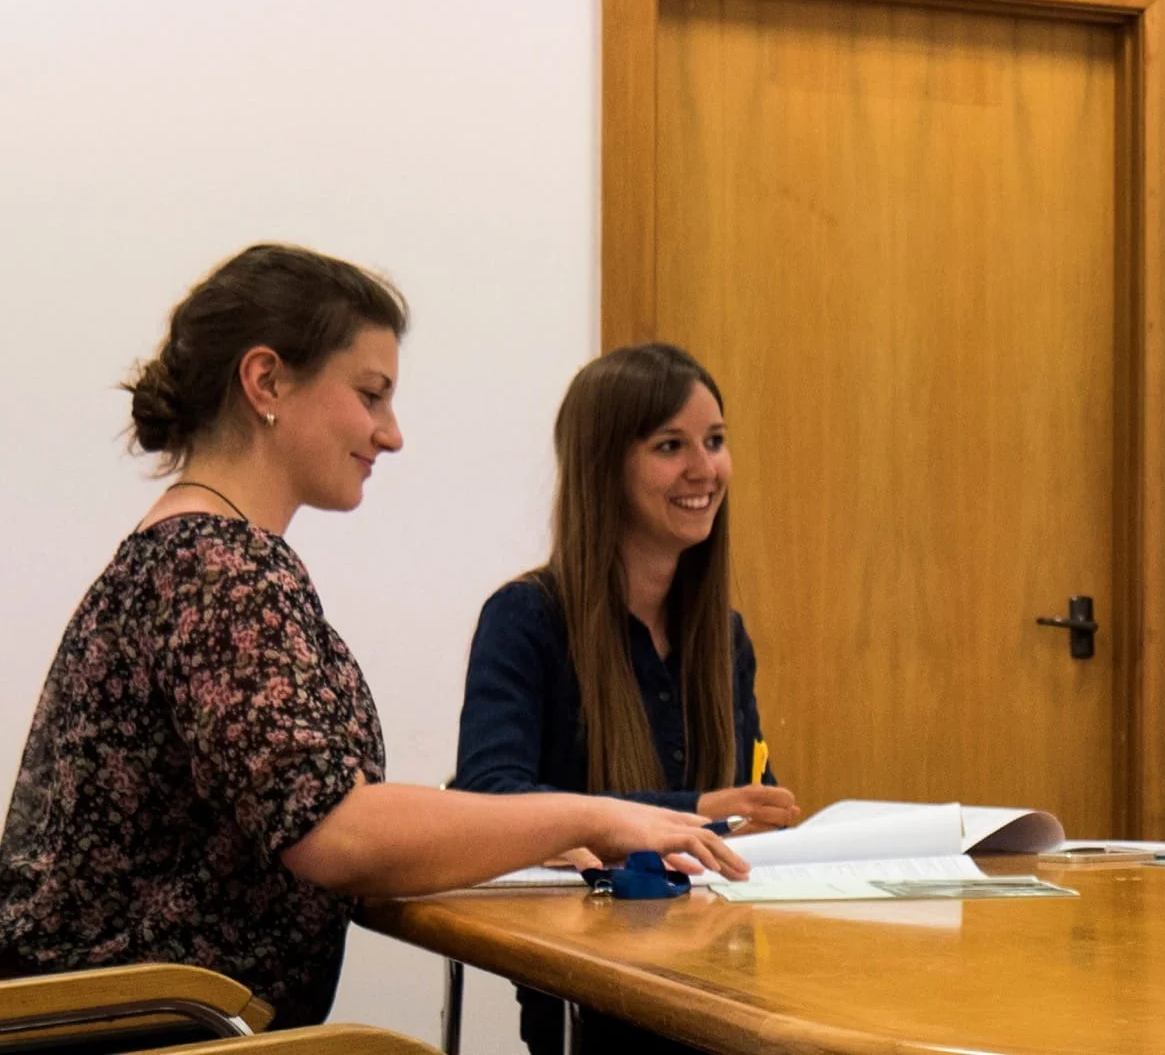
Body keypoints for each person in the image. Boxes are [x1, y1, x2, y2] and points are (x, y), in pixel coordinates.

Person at [0, 246, 745, 1033]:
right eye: (371, 395)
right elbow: (334, 831)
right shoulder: (217, 569)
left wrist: (519, 834)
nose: (390, 435)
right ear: (266, 382)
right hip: (152, 1032)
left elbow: (320, 809)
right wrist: (591, 818)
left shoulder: (199, 556)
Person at [453, 342, 797, 1054]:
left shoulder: (723, 636)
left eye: (715, 441)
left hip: (722, 977)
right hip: (596, 994)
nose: (705, 470)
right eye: (671, 446)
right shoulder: (526, 618)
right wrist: (693, 814)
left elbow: (747, 799)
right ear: (604, 466)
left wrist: (762, 818)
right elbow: (489, 794)